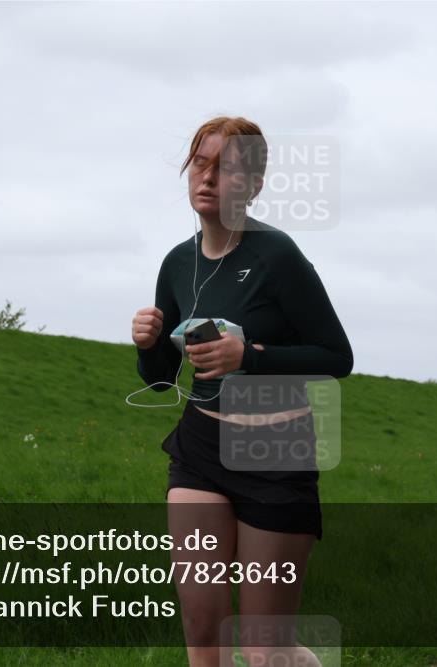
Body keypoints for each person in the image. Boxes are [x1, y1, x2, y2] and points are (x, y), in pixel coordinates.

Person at [130, 116, 353, 666]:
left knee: (262, 647)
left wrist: (249, 356)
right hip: (201, 450)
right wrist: (149, 343)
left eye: (225, 168)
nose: (206, 178)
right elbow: (161, 379)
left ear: (253, 185)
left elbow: (336, 357)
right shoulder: (177, 263)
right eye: (199, 164)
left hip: (277, 454)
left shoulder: (278, 256)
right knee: (202, 626)